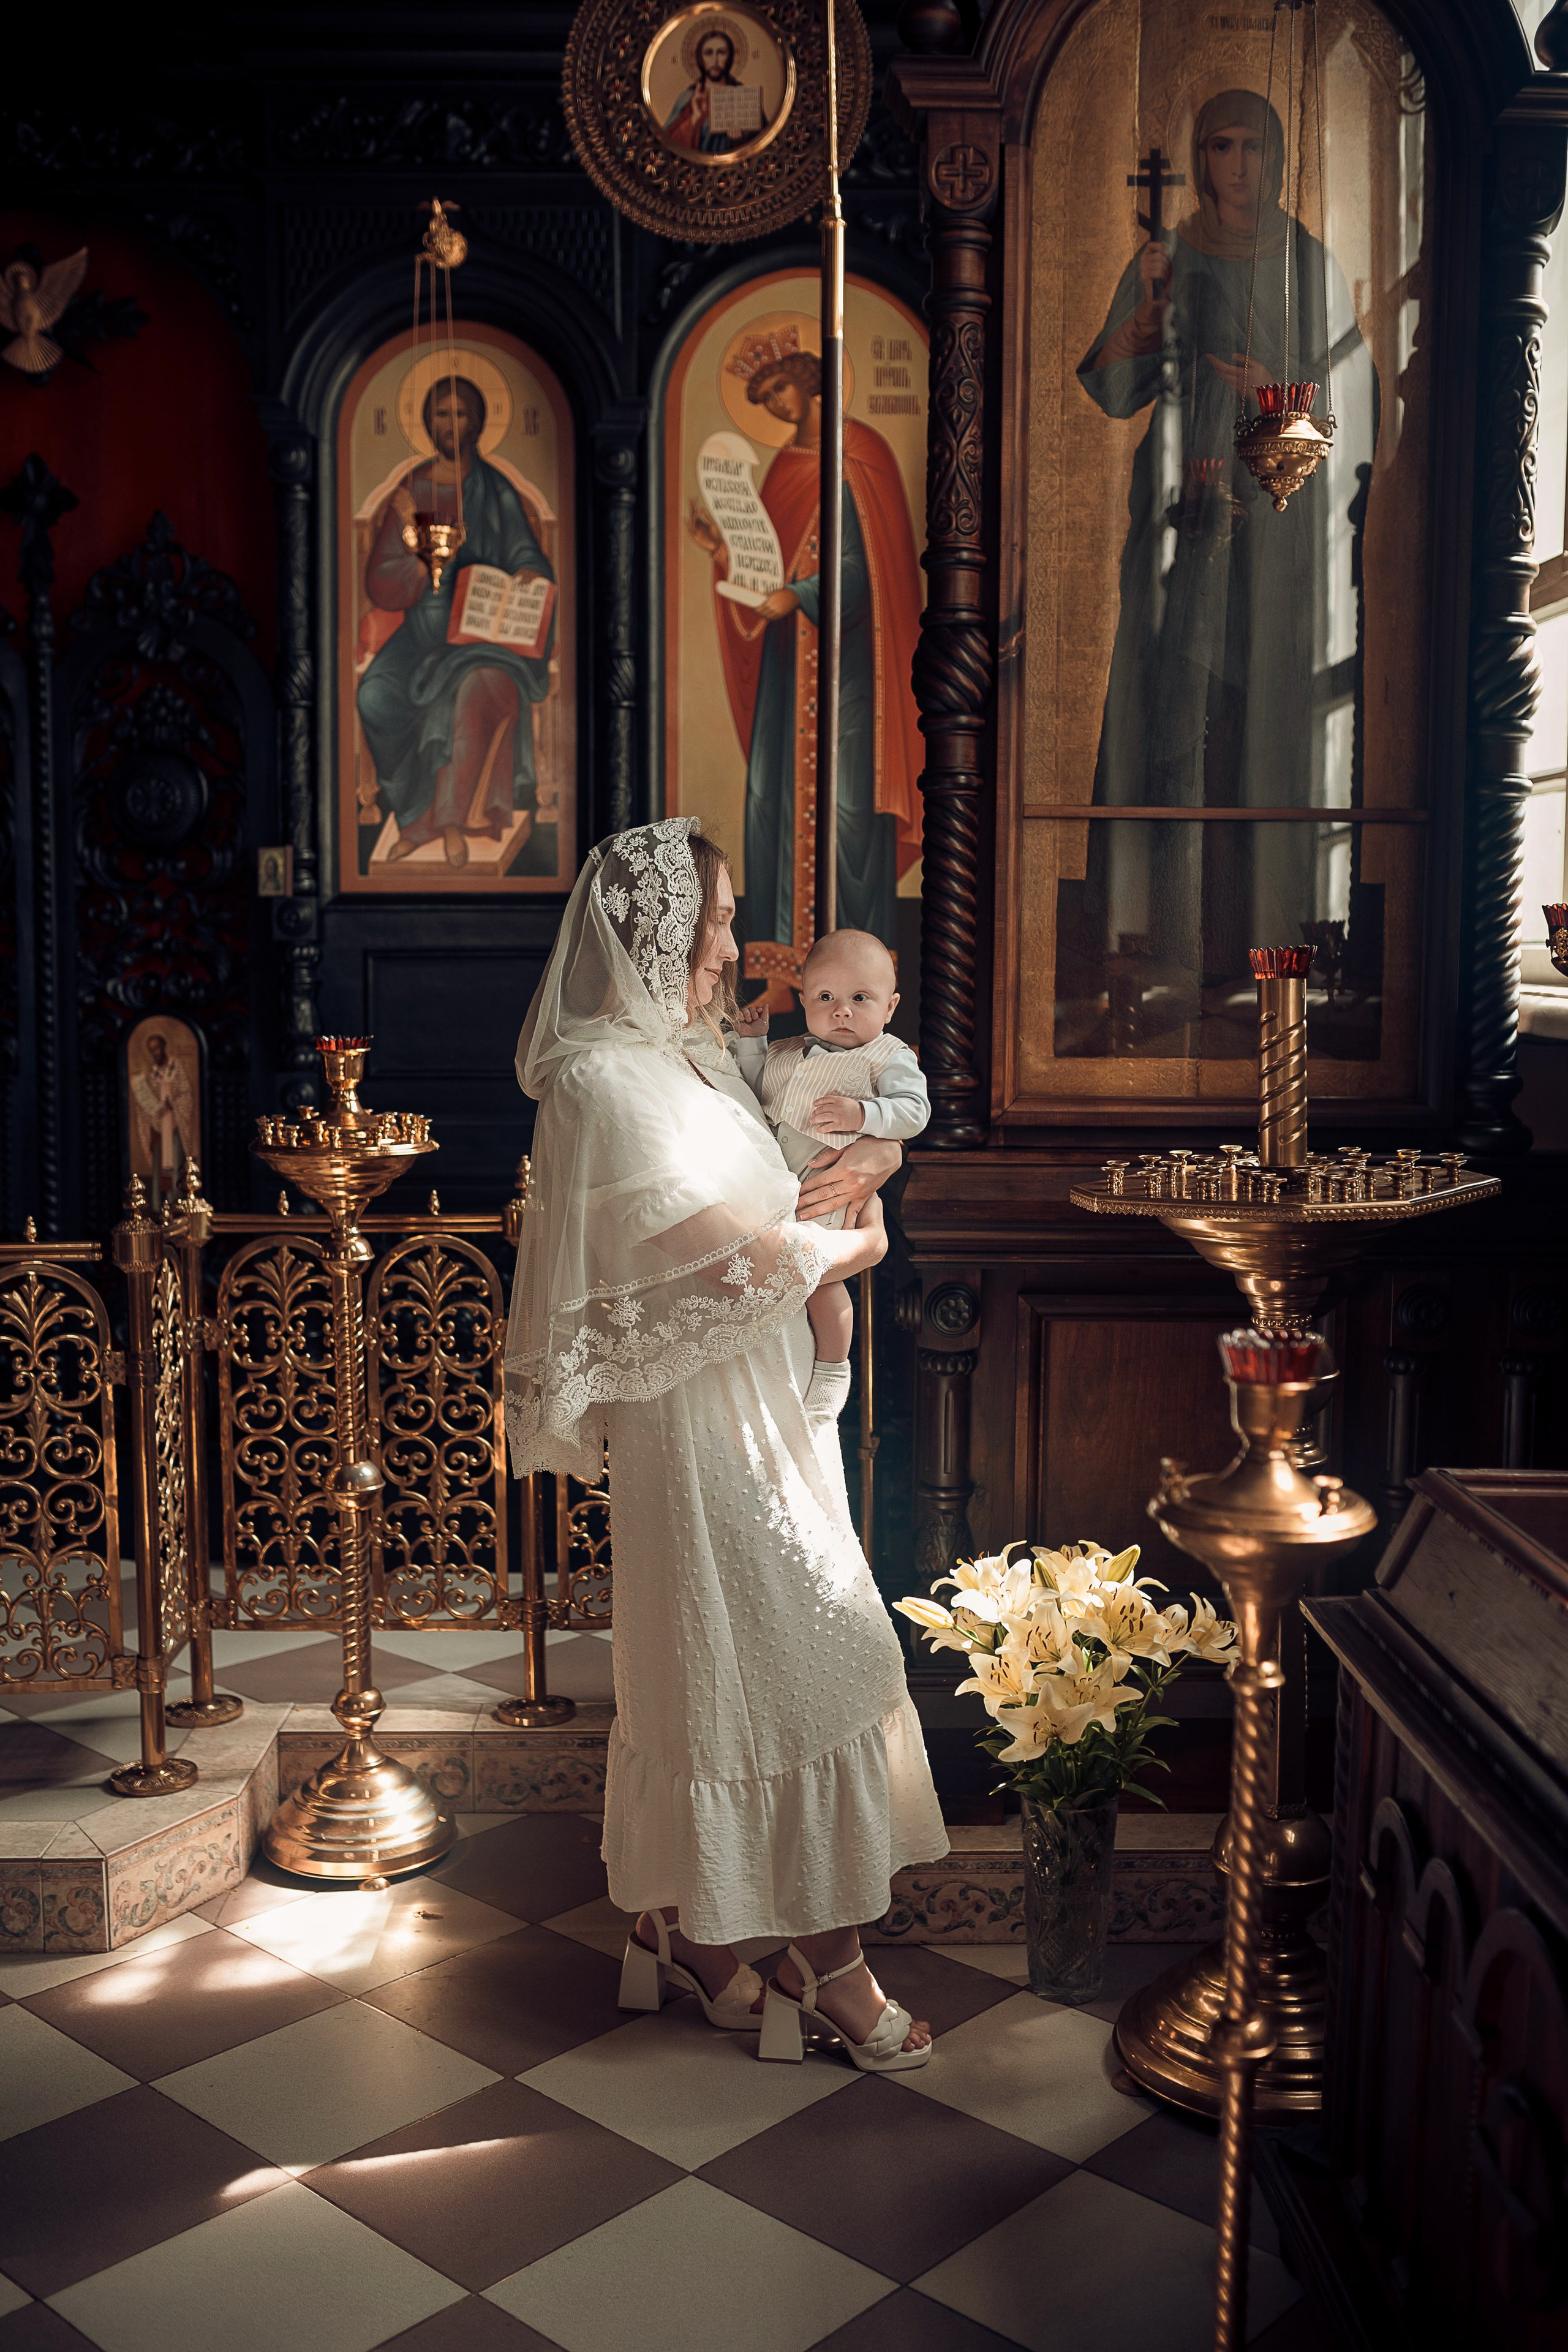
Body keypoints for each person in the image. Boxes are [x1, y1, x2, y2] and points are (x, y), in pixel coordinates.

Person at [505, 818, 948, 2069]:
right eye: (711, 916)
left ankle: (686, 1934)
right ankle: (836, 1975)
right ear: (647, 927)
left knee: (763, 1664)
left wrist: (873, 1152)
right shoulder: (597, 1083)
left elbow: (811, 1154)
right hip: (695, 1426)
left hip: (765, 1401)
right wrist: (854, 1252)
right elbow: (720, 1257)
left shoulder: (701, 1057)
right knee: (791, 1661)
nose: (730, 942)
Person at [1070, 90, 1376, 1038]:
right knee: (1169, 712)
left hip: (1273, 536)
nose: (1234, 166)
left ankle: (1256, 946)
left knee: (1253, 723)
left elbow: (1340, 410)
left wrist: (1273, 391)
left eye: (1250, 148)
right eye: (1218, 148)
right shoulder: (1170, 253)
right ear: (1200, 159)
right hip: (1179, 515)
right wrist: (1143, 318)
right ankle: (1159, 940)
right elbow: (1112, 386)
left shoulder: (1306, 260)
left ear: (1277, 157)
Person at [688, 341, 923, 1004]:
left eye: (777, 393)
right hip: (787, 678)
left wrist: (805, 593)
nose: (773, 407)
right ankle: (783, 981)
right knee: (771, 802)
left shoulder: (864, 453)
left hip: (854, 673)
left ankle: (859, 990)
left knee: (849, 813)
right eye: (762, 402)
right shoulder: (784, 467)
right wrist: (724, 553)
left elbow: (871, 567)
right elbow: (767, 566)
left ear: (806, 384)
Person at [358, 375, 556, 870]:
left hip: (484, 637)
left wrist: (528, 573)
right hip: (422, 636)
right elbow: (381, 579)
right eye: (441, 415)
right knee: (374, 695)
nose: (451, 425)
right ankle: (409, 813)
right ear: (428, 423)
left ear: (477, 423)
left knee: (472, 689)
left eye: (460, 414)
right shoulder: (412, 494)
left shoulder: (496, 490)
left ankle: (443, 823)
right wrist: (422, 562)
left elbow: (527, 555)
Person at [731, 929, 929, 1426]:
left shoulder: (889, 1056)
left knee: (818, 1279)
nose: (842, 1011)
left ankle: (833, 1366)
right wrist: (753, 1045)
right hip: (774, 1188)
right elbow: (756, 1092)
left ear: (890, 1006)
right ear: (803, 1002)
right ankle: (794, 1365)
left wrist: (862, 1115)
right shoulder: (789, 1049)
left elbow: (914, 1112)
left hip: (829, 1192)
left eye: (860, 998)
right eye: (826, 998)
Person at [662, 26, 763, 156]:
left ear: (730, 56)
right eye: (709, 53)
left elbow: (764, 139)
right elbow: (667, 143)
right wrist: (694, 120)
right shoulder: (688, 98)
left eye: (721, 52)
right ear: (700, 58)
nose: (715, 60)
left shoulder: (744, 96)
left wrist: (741, 141)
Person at [131, 1031, 194, 1211]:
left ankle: (176, 1203)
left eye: (157, 1048)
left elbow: (186, 1093)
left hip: (175, 1124)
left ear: (164, 1047)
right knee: (160, 1166)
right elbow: (146, 1099)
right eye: (152, 1050)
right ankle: (159, 1206)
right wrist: (155, 1108)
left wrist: (174, 1106)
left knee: (175, 1162)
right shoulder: (153, 1073)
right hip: (159, 1126)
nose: (155, 1053)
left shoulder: (177, 1067)